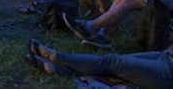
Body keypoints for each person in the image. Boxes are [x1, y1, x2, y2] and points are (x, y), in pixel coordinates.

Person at [25, 39, 173, 89]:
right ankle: (57, 69)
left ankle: (56, 57)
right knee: (116, 66)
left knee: (113, 62)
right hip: (164, 56)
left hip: (169, 73)